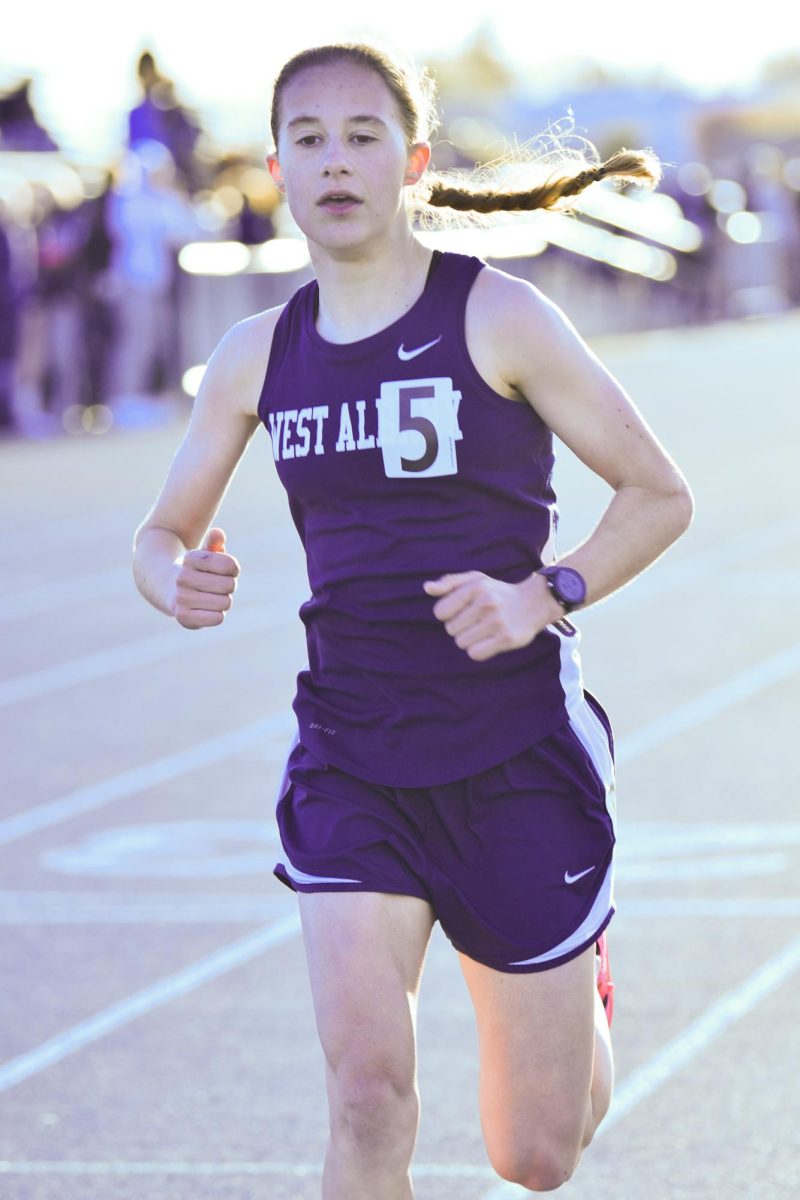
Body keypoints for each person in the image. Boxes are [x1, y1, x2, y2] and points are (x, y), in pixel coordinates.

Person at [132, 42, 693, 1196]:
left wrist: (546, 593)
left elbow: (657, 494)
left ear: (414, 162)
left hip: (513, 758)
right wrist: (171, 578)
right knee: (366, 1097)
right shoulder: (255, 357)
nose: (333, 161)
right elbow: (160, 535)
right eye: (306, 139)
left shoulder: (499, 317)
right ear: (276, 169)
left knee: (531, 1155)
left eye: (361, 136)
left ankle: (576, 973)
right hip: (351, 760)